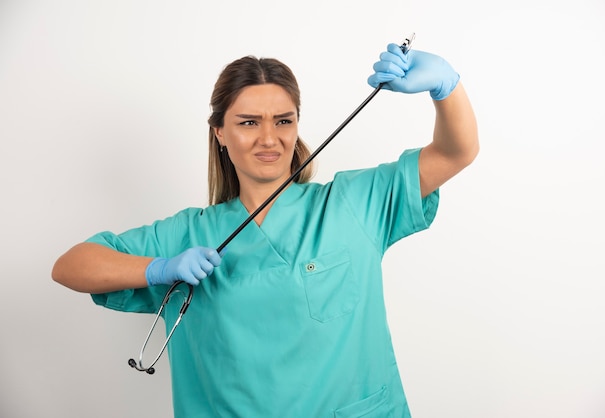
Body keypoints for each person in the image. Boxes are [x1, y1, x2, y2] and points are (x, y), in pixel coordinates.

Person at [52, 40, 479, 417]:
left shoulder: (354, 202)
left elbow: (456, 152)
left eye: (283, 120)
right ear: (219, 132)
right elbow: (70, 266)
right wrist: (158, 269)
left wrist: (446, 87)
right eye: (249, 122)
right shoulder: (188, 235)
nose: (269, 138)